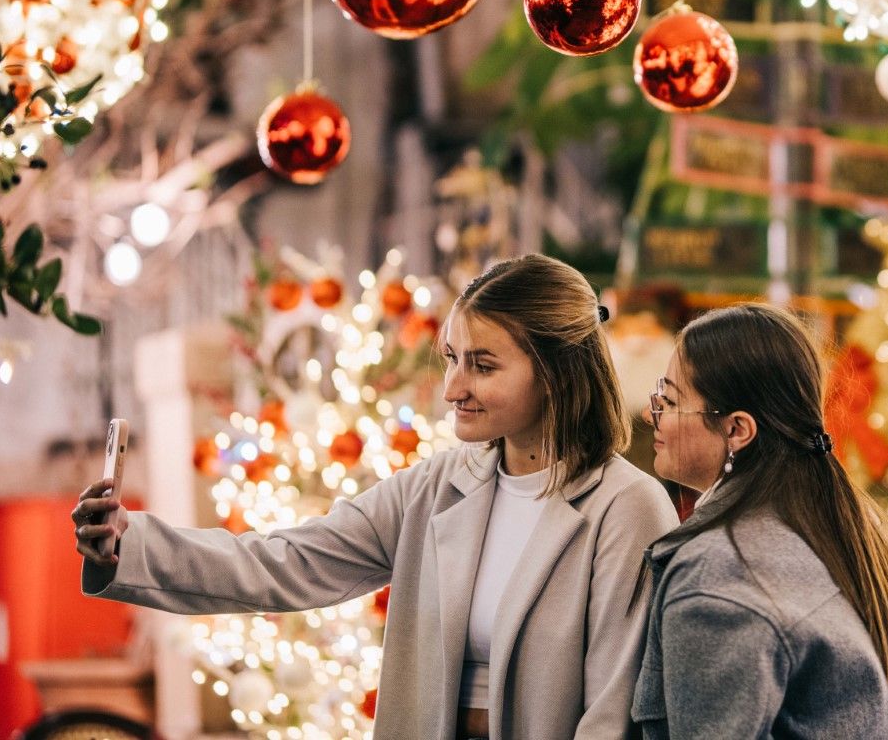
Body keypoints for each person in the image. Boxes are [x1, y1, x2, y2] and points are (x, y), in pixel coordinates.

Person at [72, 254, 678, 740]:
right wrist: (128, 543)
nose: (452, 389)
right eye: (451, 360)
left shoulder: (626, 508)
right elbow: (283, 562)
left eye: (483, 366)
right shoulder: (437, 488)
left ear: (556, 371)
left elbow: (612, 710)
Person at [632, 302, 888, 739]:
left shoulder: (721, 573)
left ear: (737, 430)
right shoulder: (852, 527)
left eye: (670, 401)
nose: (649, 414)